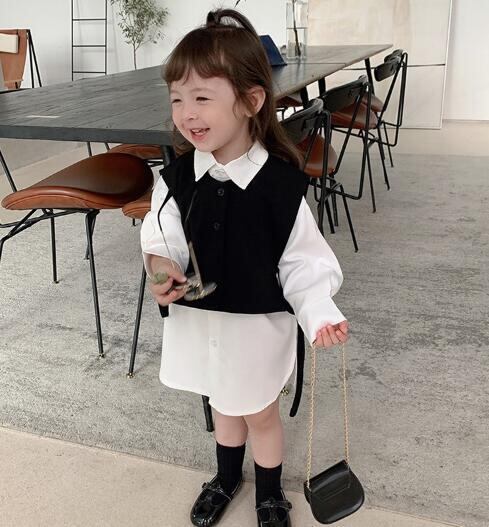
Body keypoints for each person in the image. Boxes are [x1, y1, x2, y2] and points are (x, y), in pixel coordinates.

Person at [140, 8, 349, 527]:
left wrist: (318, 311)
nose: (186, 113)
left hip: (255, 324)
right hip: (204, 319)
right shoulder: (177, 178)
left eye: (202, 98)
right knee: (222, 402)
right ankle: (226, 476)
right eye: (177, 99)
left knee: (259, 410)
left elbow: (303, 259)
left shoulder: (279, 186)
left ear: (252, 101)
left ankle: (270, 492)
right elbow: (161, 231)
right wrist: (161, 264)